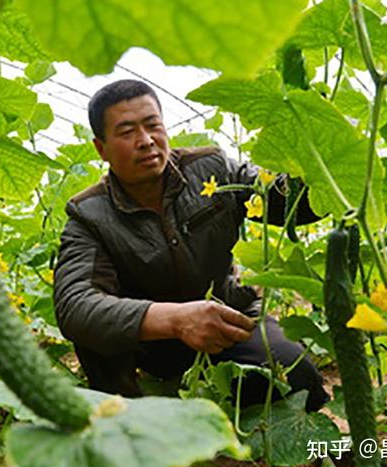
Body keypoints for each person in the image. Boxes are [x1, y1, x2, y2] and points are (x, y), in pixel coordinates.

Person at [53, 79, 329, 412]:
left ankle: (233, 415)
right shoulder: (89, 215)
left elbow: (291, 201)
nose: (146, 141)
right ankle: (130, 422)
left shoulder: (212, 168)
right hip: (150, 347)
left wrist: (318, 153)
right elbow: (75, 306)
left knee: (298, 378)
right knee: (95, 330)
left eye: (153, 125)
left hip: (227, 321)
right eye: (127, 132)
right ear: (101, 148)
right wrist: (175, 319)